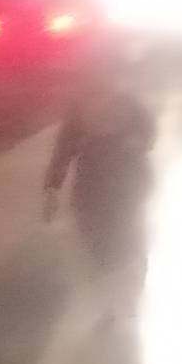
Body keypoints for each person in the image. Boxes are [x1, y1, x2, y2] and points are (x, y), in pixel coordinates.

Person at [43, 49, 156, 322]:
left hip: (125, 185)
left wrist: (133, 144)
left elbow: (149, 135)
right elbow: (64, 149)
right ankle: (111, 299)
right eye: (97, 72)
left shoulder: (130, 104)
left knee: (126, 238)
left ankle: (127, 285)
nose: (101, 78)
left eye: (107, 71)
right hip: (93, 188)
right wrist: (52, 187)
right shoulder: (81, 108)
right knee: (98, 243)